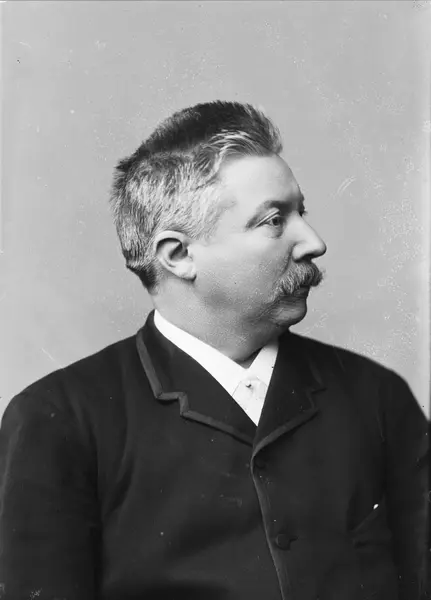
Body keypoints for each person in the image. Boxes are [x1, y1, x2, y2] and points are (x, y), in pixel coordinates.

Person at [0, 101, 428, 600]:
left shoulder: (377, 397)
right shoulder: (59, 418)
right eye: (274, 220)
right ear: (179, 255)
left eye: (301, 213)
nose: (313, 242)